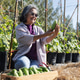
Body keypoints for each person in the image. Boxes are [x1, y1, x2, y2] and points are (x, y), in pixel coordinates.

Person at [12, 4, 60, 70]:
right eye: (32, 14)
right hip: (23, 56)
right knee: (23, 64)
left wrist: (54, 35)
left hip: (35, 59)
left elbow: (45, 40)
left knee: (33, 70)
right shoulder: (19, 28)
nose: (34, 16)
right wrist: (45, 34)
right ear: (25, 14)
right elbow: (27, 39)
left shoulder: (38, 29)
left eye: (36, 15)